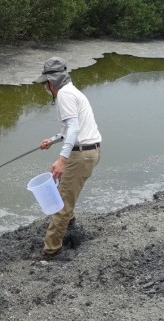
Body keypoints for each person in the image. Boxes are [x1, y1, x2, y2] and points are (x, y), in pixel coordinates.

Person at [33, 56, 102, 259]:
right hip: (90, 151)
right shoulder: (73, 92)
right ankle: (69, 221)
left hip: (81, 154)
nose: (45, 88)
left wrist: (62, 159)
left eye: (45, 83)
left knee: (61, 201)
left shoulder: (64, 95)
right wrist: (52, 140)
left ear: (51, 82)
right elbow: (71, 129)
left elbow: (73, 127)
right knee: (66, 189)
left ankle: (51, 250)